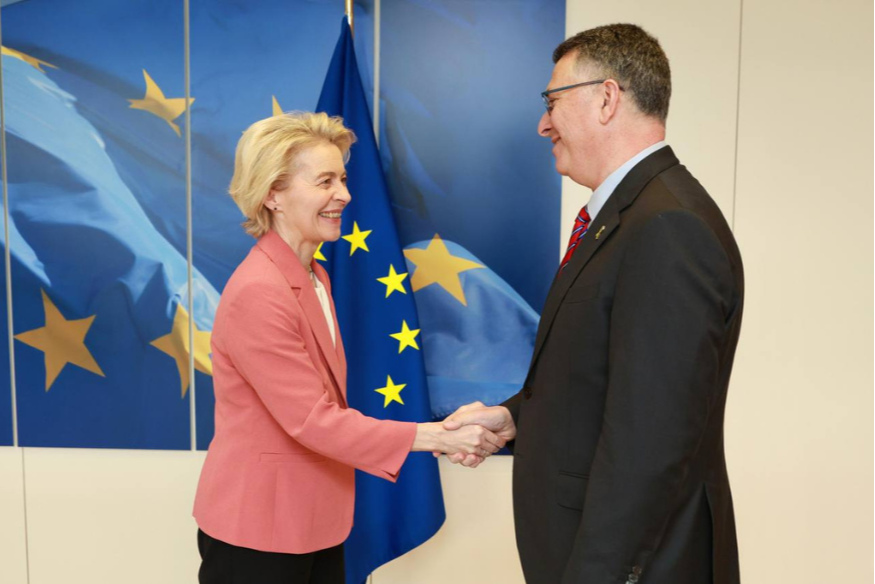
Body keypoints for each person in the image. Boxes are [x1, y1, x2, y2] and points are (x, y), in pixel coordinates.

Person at [444, 24, 744, 584]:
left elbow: (649, 439)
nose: (543, 124)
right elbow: (606, 380)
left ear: (607, 99)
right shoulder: (630, 216)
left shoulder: (667, 226)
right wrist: (513, 417)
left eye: (552, 102)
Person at [193, 112, 503, 584]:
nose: (344, 194)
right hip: (260, 531)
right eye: (325, 181)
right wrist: (438, 437)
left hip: (314, 519)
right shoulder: (259, 290)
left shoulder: (313, 274)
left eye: (342, 178)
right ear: (273, 194)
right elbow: (311, 420)